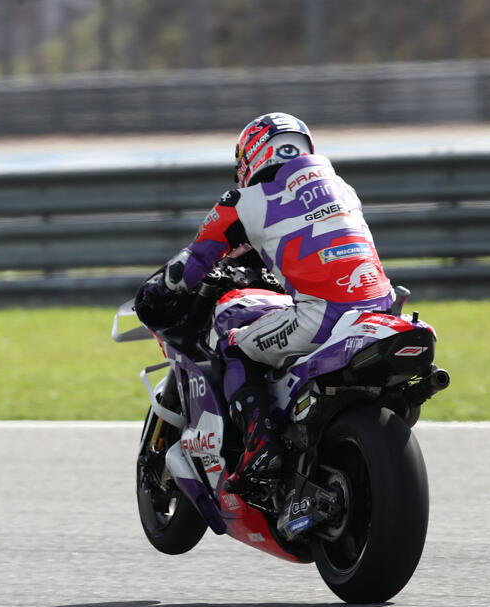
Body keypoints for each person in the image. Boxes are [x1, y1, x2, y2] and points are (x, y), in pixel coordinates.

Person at [140, 112, 394, 495]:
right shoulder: (342, 188)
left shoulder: (242, 202)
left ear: (251, 157)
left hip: (324, 315)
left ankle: (262, 451)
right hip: (383, 309)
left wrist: (158, 291)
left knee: (235, 345)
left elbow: (191, 266)